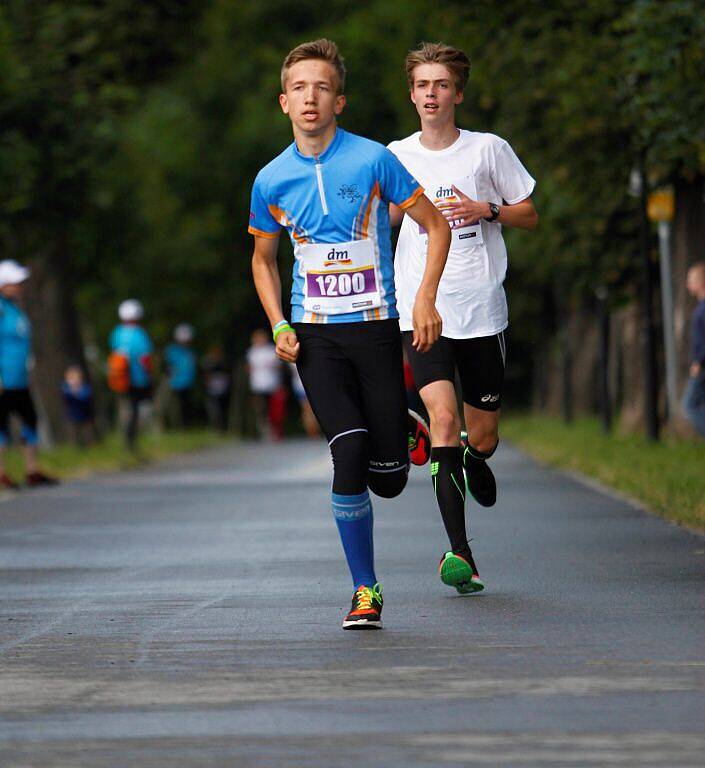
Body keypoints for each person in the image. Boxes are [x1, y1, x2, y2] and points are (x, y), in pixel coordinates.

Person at [249, 39, 449, 629]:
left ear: (341, 99)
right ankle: (365, 589)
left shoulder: (371, 160)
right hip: (315, 335)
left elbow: (434, 227)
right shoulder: (270, 180)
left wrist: (424, 297)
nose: (312, 98)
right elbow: (262, 261)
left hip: (377, 328)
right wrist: (279, 323)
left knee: (387, 481)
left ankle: (401, 428)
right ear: (284, 102)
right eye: (301, 89)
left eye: (323, 88)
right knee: (349, 450)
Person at [388, 42, 538, 594]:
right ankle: (461, 555)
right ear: (412, 94)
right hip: (422, 309)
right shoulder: (396, 154)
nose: (431, 94)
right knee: (443, 422)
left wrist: (487, 209)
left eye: (441, 85)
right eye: (423, 85)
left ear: (458, 93)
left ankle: (477, 458)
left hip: (482, 310)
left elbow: (530, 213)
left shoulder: (488, 151)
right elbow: (376, 220)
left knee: (485, 434)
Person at [0, 259, 58, 488]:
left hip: (20, 378)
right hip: (3, 379)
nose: (20, 286)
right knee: (1, 426)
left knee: (29, 422)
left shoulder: (16, 309)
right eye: (15, 282)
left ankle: (32, 470)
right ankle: (2, 473)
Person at [108, 299, 153, 450]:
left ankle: (125, 437)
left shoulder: (117, 332)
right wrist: (149, 374)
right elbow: (145, 358)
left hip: (119, 378)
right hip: (137, 378)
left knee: (126, 408)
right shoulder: (140, 334)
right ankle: (132, 440)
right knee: (136, 409)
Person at [246, 328, 286, 440]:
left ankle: (275, 431)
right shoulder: (252, 352)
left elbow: (279, 366)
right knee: (260, 410)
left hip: (272, 385)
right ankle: (263, 431)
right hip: (257, 385)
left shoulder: (271, 350)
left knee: (274, 411)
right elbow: (249, 368)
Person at [683, 262, 705, 437]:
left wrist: (699, 361)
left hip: (702, 365)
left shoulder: (703, 309)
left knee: (689, 405)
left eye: (691, 280)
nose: (687, 285)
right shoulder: (700, 307)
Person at [164, 323, 198, 428]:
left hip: (188, 383)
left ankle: (185, 425)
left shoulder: (190, 352)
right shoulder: (171, 351)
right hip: (174, 384)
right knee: (174, 408)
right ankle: (175, 426)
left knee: (186, 406)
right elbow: (166, 367)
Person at [61, 365, 96, 446]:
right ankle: (74, 449)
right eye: (71, 378)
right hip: (72, 416)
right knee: (73, 435)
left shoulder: (85, 388)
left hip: (85, 415)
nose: (74, 381)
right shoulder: (66, 389)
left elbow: (86, 397)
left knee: (87, 434)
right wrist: (73, 392)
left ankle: (90, 447)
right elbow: (66, 395)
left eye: (76, 378)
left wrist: (77, 393)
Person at [203, 345, 232, 432]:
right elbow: (206, 375)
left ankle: (222, 426)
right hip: (212, 389)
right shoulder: (208, 362)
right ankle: (215, 425)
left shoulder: (224, 362)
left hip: (223, 388)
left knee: (223, 407)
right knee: (214, 408)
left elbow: (228, 375)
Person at [289, 362, 320, 438]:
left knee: (306, 409)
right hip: (304, 385)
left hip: (299, 385)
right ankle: (313, 430)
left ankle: (312, 430)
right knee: (309, 409)